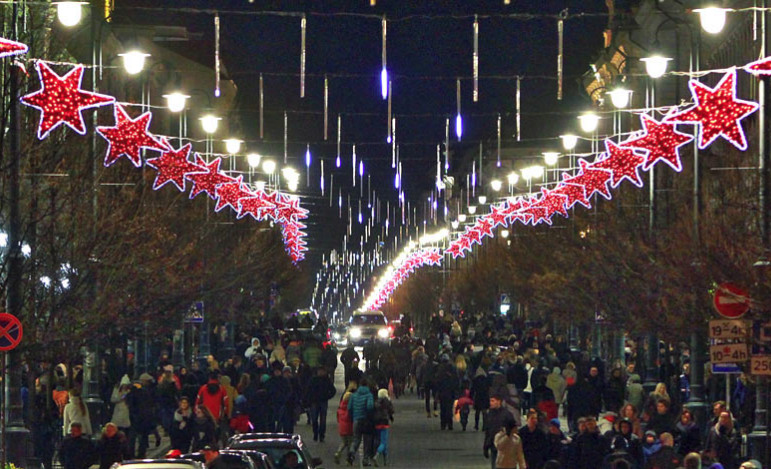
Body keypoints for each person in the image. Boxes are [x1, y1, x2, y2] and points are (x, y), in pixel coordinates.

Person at [484, 394, 516, 469]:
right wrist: (485, 446)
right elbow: (488, 431)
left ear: (499, 401)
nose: (490, 403)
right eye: (490, 401)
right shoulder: (490, 414)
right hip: (493, 445)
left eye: (493, 401)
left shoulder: (507, 415)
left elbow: (513, 429)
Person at [348, 378, 375, 466]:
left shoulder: (354, 395)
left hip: (356, 420)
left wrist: (353, 416)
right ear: (367, 385)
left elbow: (349, 408)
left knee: (356, 439)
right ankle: (366, 460)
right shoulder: (369, 395)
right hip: (366, 421)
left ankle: (351, 452)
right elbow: (370, 406)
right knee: (367, 441)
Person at [305, 366, 336, 442]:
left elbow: (333, 390)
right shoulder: (313, 380)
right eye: (320, 371)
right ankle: (315, 433)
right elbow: (308, 390)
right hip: (314, 402)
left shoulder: (327, 380)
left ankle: (321, 435)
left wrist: (327, 397)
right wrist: (308, 400)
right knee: (314, 419)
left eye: (322, 371)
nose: (321, 372)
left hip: (323, 402)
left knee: (323, 420)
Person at [335, 383, 356, 465]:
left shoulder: (340, 408)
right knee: (350, 444)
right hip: (349, 429)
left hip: (342, 429)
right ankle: (348, 459)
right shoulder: (350, 409)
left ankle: (338, 452)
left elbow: (338, 418)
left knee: (344, 443)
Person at [373, 388, 395, 466]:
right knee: (384, 442)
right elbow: (392, 411)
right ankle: (377, 455)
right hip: (384, 423)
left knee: (379, 440)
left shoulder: (376, 402)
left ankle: (385, 460)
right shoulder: (387, 402)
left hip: (377, 423)